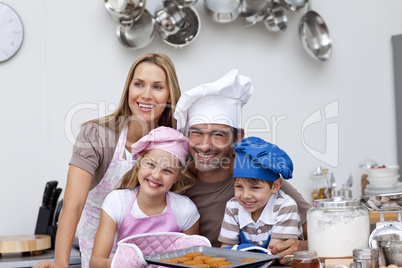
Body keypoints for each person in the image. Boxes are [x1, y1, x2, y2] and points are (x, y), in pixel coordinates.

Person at [34, 53, 182, 268]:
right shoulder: (95, 135)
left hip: (154, 260)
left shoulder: (175, 143)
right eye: (139, 84)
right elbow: (73, 205)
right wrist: (60, 263)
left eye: (158, 87)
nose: (146, 95)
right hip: (100, 260)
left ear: (170, 95)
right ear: (128, 89)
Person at [173, 69, 311, 265]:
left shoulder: (259, 175)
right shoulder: (174, 180)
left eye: (218, 135)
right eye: (196, 133)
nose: (205, 145)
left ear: (237, 138)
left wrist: (302, 247)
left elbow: (321, 235)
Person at [90, 126, 200, 268]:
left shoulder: (185, 210)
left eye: (167, 170)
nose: (155, 175)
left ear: (177, 177)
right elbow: (95, 263)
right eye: (150, 164)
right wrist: (123, 263)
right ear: (139, 164)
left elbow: (191, 262)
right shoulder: (117, 202)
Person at [219, 136, 303, 251]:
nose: (245, 195)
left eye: (255, 187)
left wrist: (238, 252)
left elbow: (274, 253)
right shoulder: (233, 207)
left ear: (275, 186)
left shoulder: (285, 207)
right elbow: (226, 249)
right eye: (239, 186)